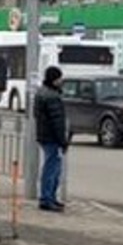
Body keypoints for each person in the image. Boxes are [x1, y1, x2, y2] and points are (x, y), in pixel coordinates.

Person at [32, 65, 68, 212]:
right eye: (59, 78)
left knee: (53, 167)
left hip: (44, 135)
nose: (61, 80)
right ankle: (47, 199)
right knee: (52, 168)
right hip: (52, 137)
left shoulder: (42, 93)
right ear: (54, 79)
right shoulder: (52, 97)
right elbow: (57, 121)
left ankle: (49, 198)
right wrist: (63, 140)